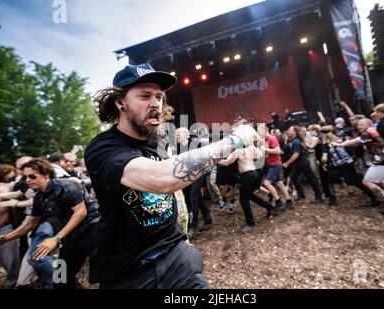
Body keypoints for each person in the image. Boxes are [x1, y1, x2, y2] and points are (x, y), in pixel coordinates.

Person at [84, 63, 258, 289]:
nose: (156, 103)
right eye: (145, 96)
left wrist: (182, 229)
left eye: (159, 96)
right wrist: (233, 140)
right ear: (120, 103)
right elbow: (161, 178)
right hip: (131, 271)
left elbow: (177, 179)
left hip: (176, 257)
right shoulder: (103, 148)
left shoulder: (159, 141)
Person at [0, 158, 98, 289]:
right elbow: (29, 224)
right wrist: (5, 238)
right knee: (60, 279)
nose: (27, 180)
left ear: (46, 174)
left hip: (93, 231)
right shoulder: (39, 198)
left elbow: (81, 213)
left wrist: (56, 238)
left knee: (107, 275)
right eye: (25, 177)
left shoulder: (66, 185)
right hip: (70, 236)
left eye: (32, 176)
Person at [333, 119, 384, 215]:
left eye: (362, 124)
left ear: (368, 124)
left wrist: (340, 144)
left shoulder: (369, 131)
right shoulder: (371, 131)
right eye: (358, 125)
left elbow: (356, 141)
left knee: (367, 181)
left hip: (381, 160)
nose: (359, 126)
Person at [219, 137, 281, 233]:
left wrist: (214, 160)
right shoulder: (251, 147)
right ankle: (269, 207)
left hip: (247, 175)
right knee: (250, 195)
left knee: (243, 199)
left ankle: (251, 224)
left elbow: (227, 162)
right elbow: (262, 155)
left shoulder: (238, 150)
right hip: (255, 174)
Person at [0, 163, 21, 288]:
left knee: (13, 265)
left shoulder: (8, 187)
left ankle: (14, 285)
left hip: (4, 229)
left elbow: (23, 187)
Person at [257, 124, 292, 209]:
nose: (258, 133)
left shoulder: (272, 138)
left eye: (259, 131)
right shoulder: (264, 140)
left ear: (265, 130)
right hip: (271, 164)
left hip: (275, 164)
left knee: (266, 183)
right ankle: (288, 201)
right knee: (279, 183)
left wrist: (266, 149)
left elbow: (277, 150)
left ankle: (278, 201)